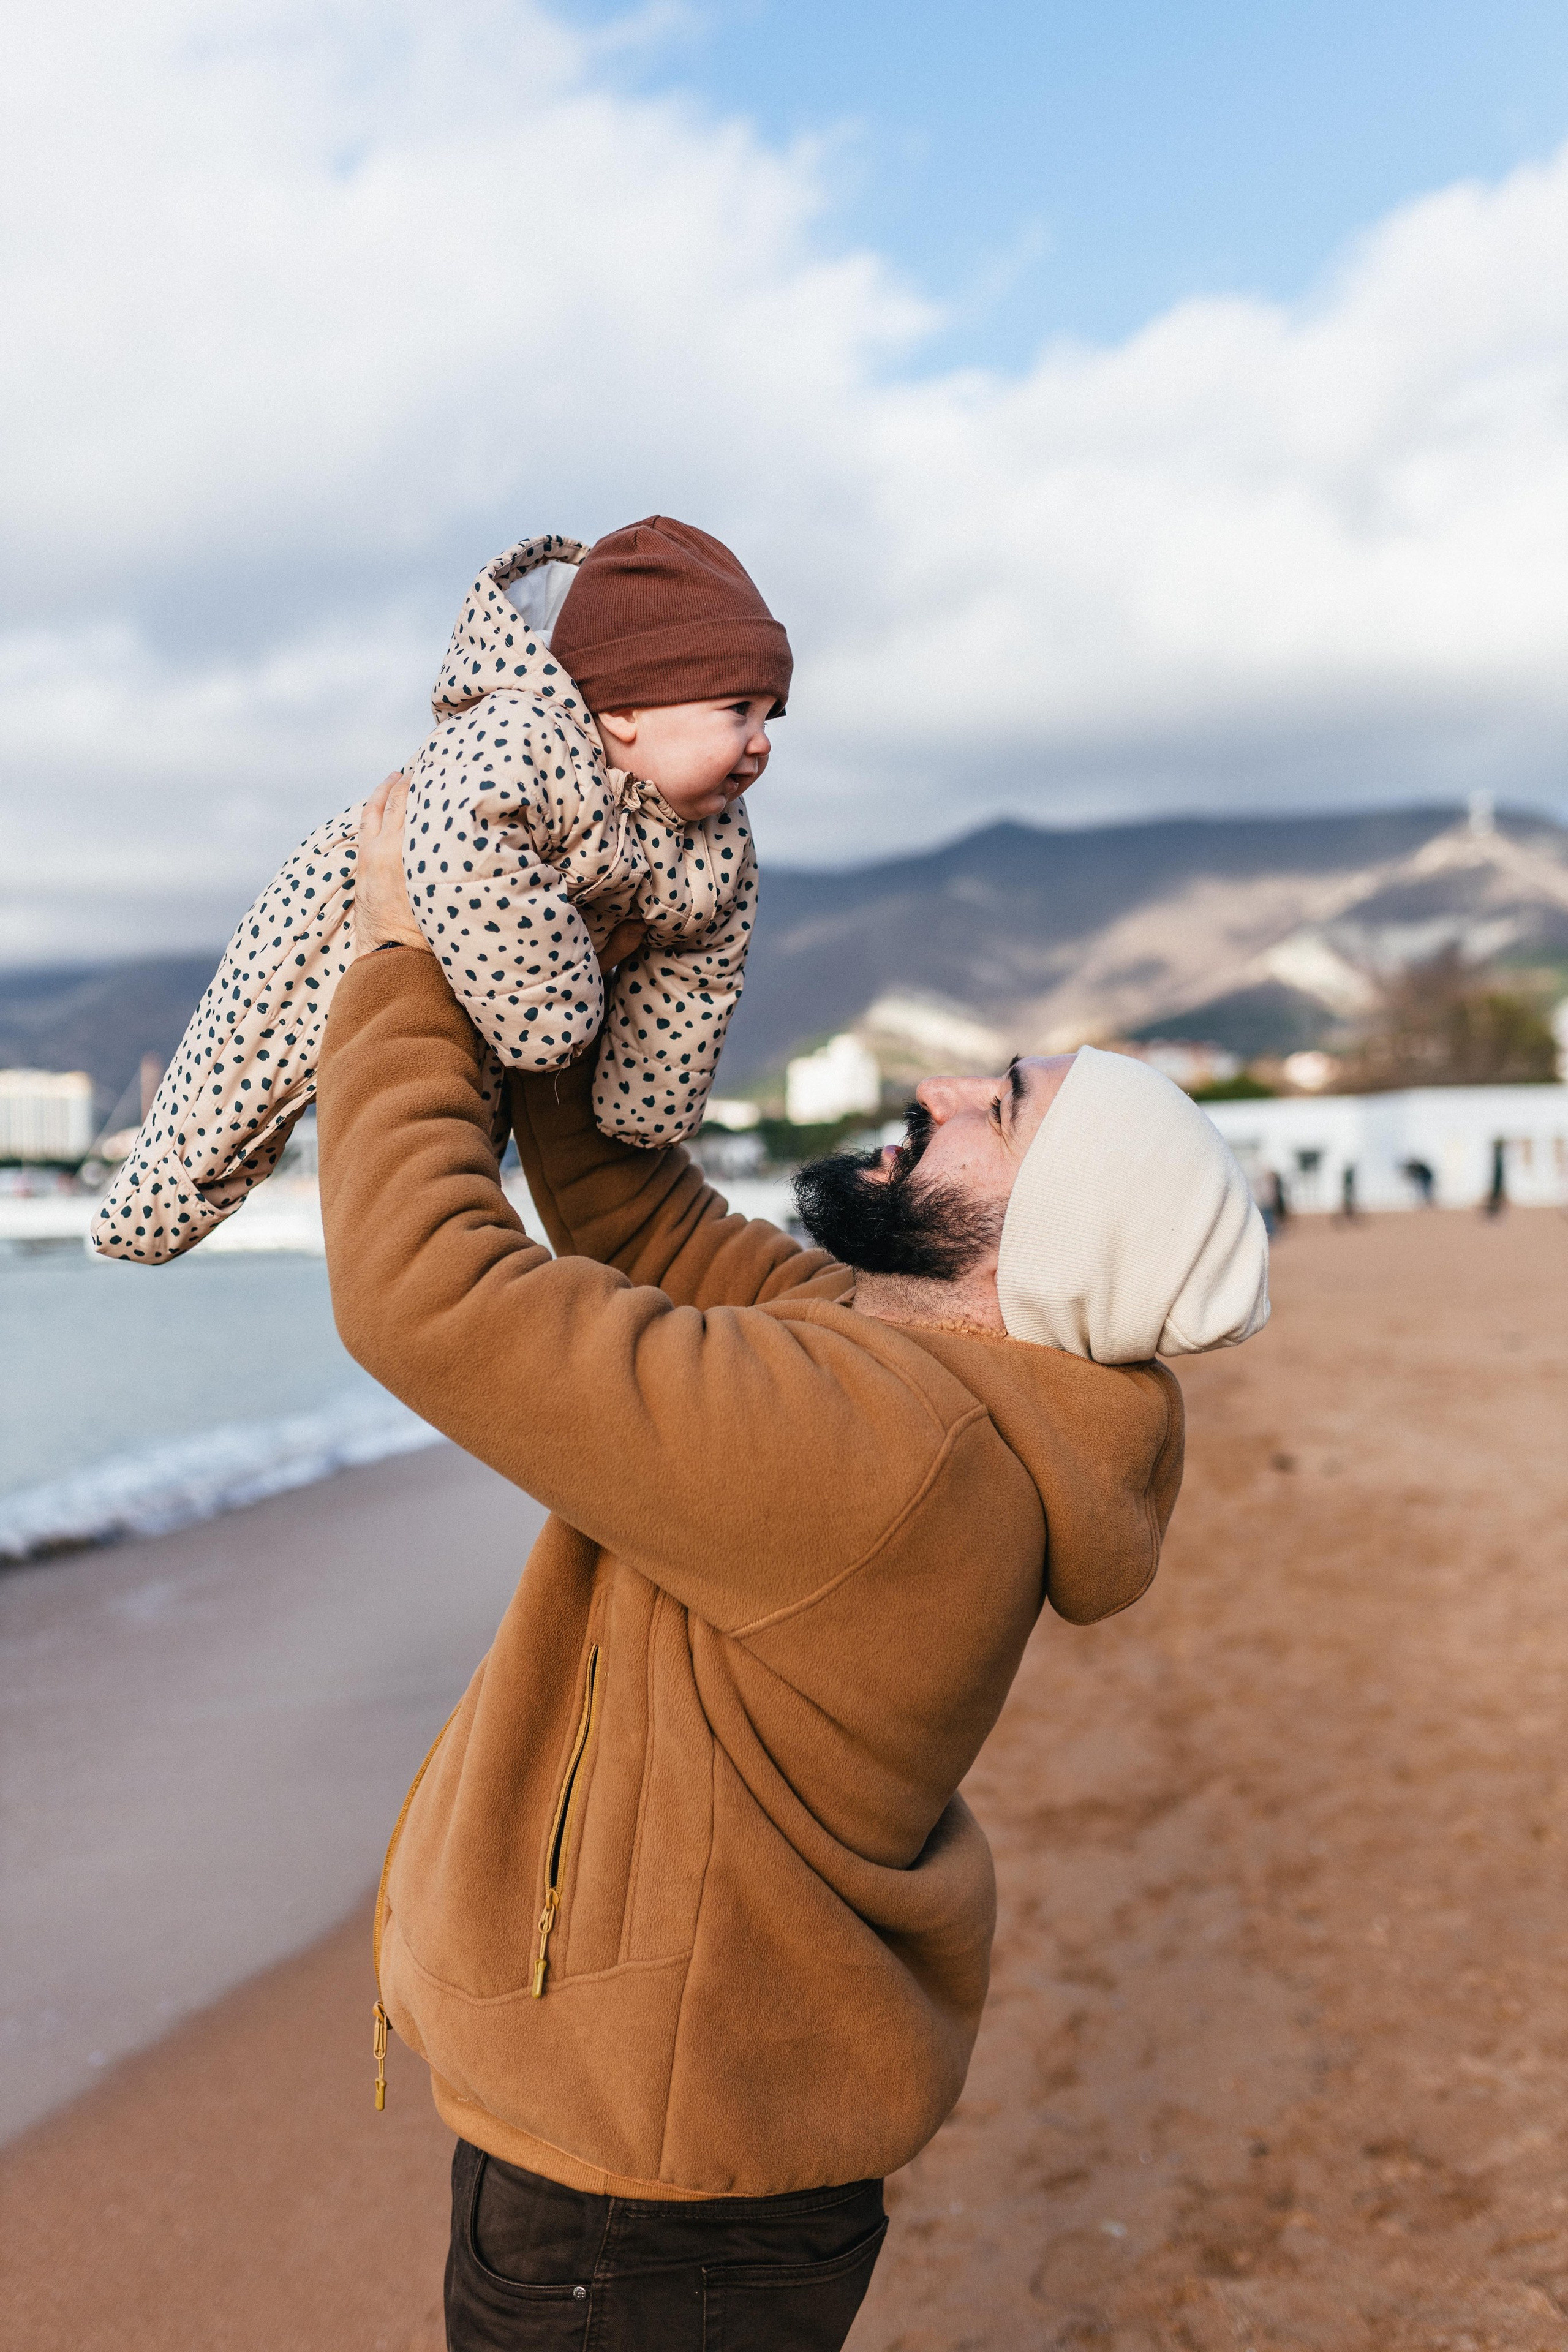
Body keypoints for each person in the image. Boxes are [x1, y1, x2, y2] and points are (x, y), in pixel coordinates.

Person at [313, 775, 1272, 2351]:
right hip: (683, 2157)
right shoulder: (899, 1362)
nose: (943, 1082)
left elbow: (423, 1292)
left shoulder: (893, 1453)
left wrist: (400, 953)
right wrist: (560, 939)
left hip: (645, 2206)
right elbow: (629, 1204)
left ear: (1049, 1243)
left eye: (1003, 1107)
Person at [92, 518, 787, 1264]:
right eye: (735, 711)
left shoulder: (715, 837)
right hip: (350, 914)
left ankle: (428, 1270)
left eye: (770, 715)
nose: (762, 742)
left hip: (511, 979)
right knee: (243, 1070)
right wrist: (552, 1018)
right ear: (626, 709)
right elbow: (467, 849)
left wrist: (646, 1102)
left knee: (454, 1146)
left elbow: (704, 961)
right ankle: (150, 1209)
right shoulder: (517, 733)